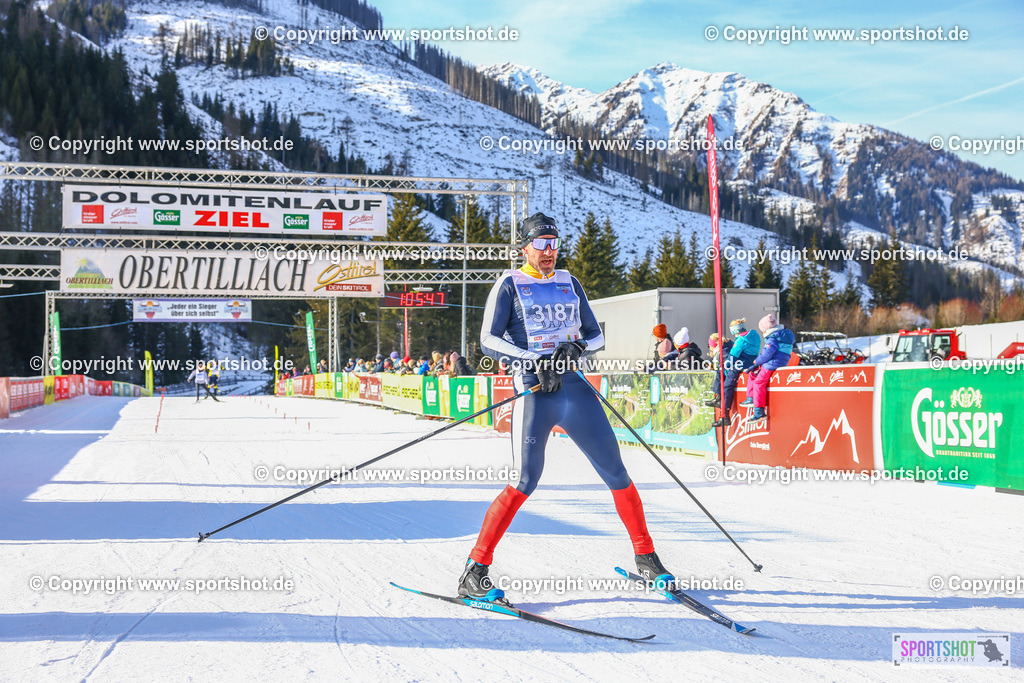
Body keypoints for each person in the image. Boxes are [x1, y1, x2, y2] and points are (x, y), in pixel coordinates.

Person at [459, 211, 676, 602]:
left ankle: (646, 558)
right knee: (525, 480)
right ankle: (474, 571)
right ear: (524, 247)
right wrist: (534, 360)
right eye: (541, 244)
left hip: (574, 387)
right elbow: (489, 340)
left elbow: (594, 336)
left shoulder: (569, 281)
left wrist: (576, 347)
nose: (549, 252)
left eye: (555, 244)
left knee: (617, 472)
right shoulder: (509, 283)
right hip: (535, 387)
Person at [705, 318, 760, 427]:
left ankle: (724, 415)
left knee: (727, 385)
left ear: (734, 331)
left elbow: (733, 357)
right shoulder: (754, 335)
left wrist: (725, 367)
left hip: (741, 363)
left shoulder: (741, 340)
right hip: (752, 361)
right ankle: (720, 402)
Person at [742, 313, 794, 423]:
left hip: (773, 363)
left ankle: (759, 412)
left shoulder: (773, 338)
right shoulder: (782, 335)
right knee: (753, 371)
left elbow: (767, 354)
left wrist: (757, 361)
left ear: (766, 329)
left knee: (758, 383)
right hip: (779, 361)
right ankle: (751, 397)